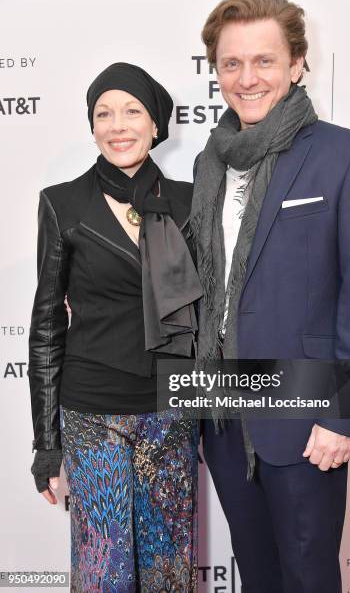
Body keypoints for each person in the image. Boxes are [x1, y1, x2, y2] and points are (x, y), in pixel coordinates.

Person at [191, 0, 350, 593]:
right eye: (232, 64)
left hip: (308, 421)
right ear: (216, 71)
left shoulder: (346, 154)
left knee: (307, 579)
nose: (247, 78)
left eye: (264, 61)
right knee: (258, 579)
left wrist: (344, 413)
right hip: (224, 418)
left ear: (298, 63)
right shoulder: (210, 163)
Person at [29, 62, 202, 592]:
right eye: (104, 113)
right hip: (91, 410)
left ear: (156, 126)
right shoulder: (63, 203)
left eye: (132, 111)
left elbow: (215, 314)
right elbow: (46, 325)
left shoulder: (192, 201)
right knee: (102, 574)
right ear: (91, 126)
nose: (118, 125)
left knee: (168, 572)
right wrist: (46, 444)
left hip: (172, 410)